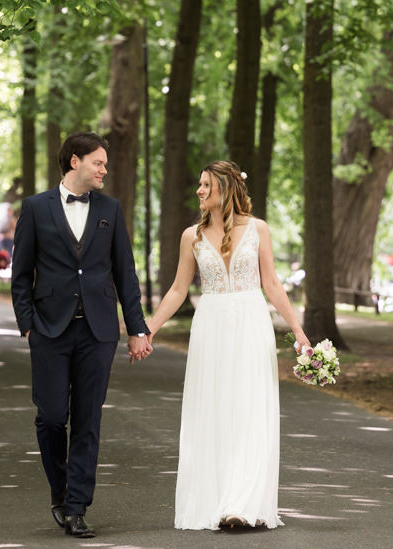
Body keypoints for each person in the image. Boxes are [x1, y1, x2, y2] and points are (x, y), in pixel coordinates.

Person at [146, 160, 310, 531]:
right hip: (212, 327)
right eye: (199, 185)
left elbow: (272, 284)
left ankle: (242, 504)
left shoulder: (258, 230)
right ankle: (215, 500)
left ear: (226, 188)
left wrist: (298, 332)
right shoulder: (192, 236)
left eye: (206, 185)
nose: (200, 191)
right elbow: (177, 289)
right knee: (215, 408)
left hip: (252, 324)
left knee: (250, 409)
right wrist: (149, 329)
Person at [10, 131, 152, 539]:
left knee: (87, 419)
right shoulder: (36, 208)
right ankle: (59, 489)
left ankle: (76, 507)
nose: (105, 169)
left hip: (99, 330)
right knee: (52, 417)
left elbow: (125, 272)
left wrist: (137, 328)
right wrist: (27, 323)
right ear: (75, 162)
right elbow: (20, 274)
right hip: (49, 329)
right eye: (99, 162)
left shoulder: (110, 208)